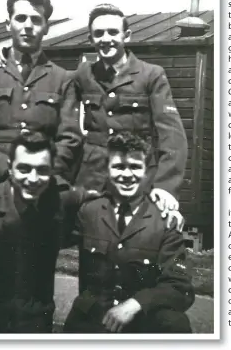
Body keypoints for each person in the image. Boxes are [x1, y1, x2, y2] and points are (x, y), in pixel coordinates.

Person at [0, 3, 188, 214]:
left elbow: (172, 135)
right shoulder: (84, 74)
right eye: (98, 33)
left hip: (136, 174)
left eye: (112, 32)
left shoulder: (151, 75)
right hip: (93, 178)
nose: (106, 39)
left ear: (126, 36)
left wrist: (166, 187)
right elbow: (48, 78)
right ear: (91, 39)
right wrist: (8, 52)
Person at [0, 131, 88, 333]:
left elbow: (99, 201)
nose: (33, 179)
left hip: (35, 321)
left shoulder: (62, 199)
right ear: (10, 169)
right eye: (24, 169)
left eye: (42, 170)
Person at [63, 131, 194, 333]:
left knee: (175, 324)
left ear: (146, 172)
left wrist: (136, 303)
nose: (126, 175)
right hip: (93, 320)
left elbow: (180, 287)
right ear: (107, 170)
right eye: (118, 167)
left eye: (134, 167)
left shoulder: (164, 219)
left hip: (142, 321)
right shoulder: (89, 211)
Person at [0, 0, 82, 199]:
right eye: (20, 18)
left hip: (41, 186)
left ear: (46, 27)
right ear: (8, 24)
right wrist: (7, 169)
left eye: (36, 20)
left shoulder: (63, 78)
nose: (27, 26)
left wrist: (41, 172)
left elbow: (70, 138)